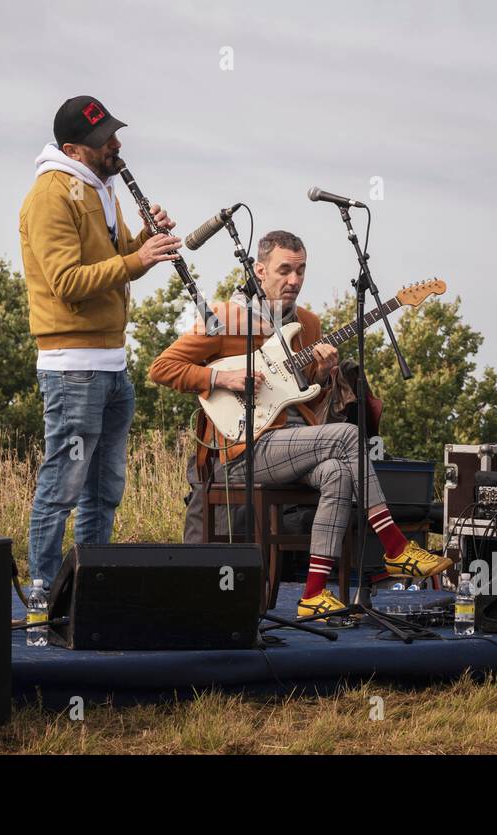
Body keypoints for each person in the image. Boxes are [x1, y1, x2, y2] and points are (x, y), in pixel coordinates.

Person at [148, 229, 452, 622]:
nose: (294, 280)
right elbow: (162, 368)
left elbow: (311, 400)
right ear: (259, 270)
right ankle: (396, 548)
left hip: (295, 447)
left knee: (338, 472)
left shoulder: (308, 323)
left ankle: (312, 595)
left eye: (301, 271)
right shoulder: (224, 318)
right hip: (242, 450)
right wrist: (222, 379)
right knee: (347, 437)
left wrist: (324, 375)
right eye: (284, 270)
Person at [19, 95, 180, 587]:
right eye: (103, 139)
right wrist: (140, 259)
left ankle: (87, 587)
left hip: (111, 363)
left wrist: (143, 241)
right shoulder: (52, 195)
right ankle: (42, 594)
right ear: (73, 148)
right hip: (73, 367)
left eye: (113, 132)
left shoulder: (100, 188)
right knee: (61, 488)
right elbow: (68, 281)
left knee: (104, 489)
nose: (116, 144)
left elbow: (113, 257)